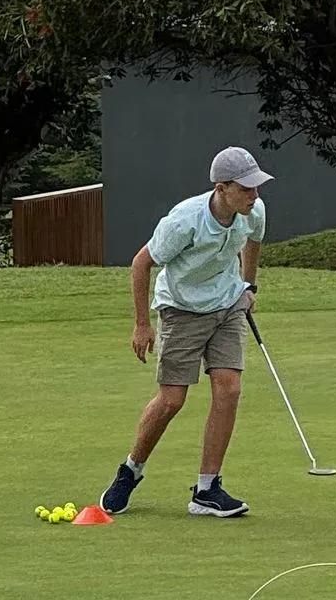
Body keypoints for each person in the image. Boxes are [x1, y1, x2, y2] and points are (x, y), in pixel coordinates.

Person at [99, 146, 270, 517]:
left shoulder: (253, 210)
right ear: (222, 188)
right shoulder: (186, 220)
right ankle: (131, 469)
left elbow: (254, 241)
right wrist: (142, 324)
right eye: (246, 188)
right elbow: (141, 263)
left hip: (227, 305)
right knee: (172, 400)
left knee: (229, 388)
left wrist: (249, 286)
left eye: (256, 186)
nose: (254, 194)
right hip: (181, 309)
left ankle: (207, 489)